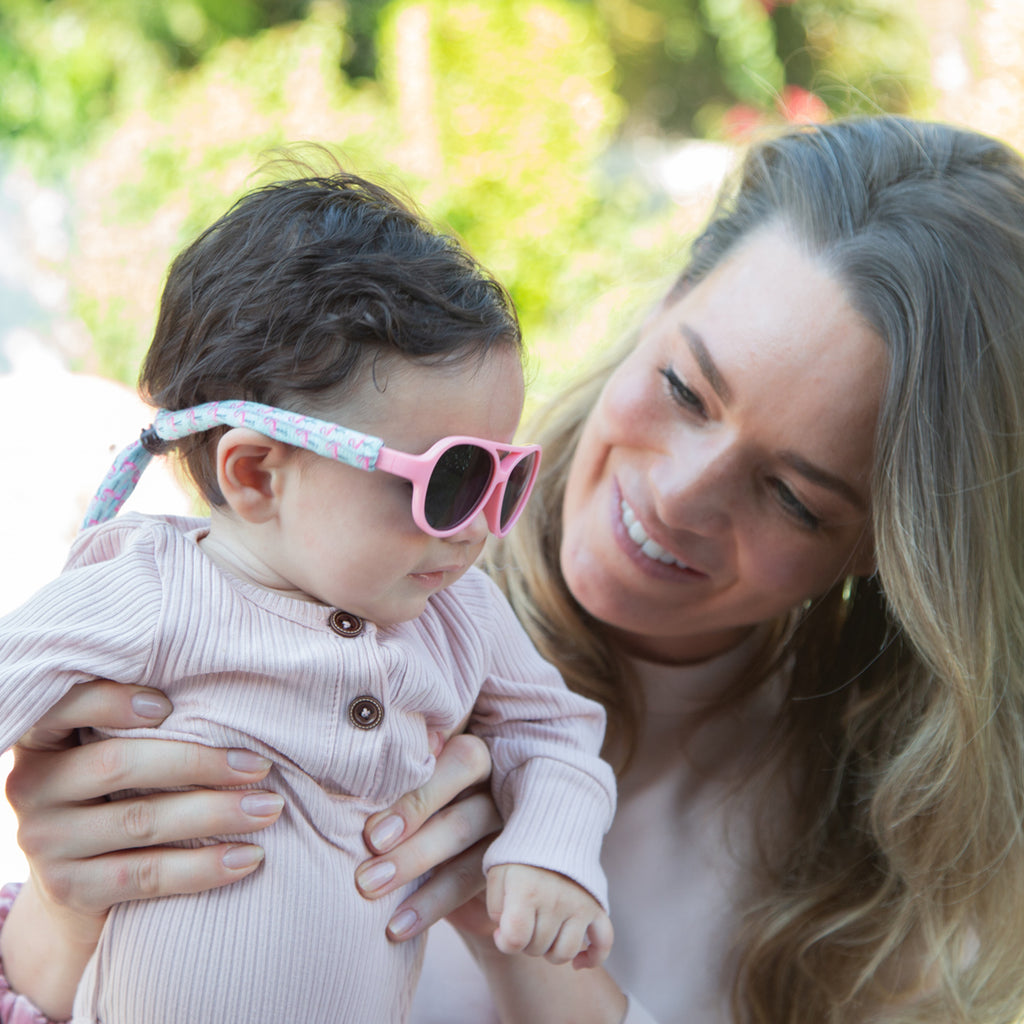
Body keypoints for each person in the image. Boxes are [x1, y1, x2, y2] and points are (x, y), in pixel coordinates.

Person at [3, 113, 1024, 1024]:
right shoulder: (314, 554)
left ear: (890, 556)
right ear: (659, 306)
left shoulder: (900, 863)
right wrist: (64, 909)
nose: (677, 494)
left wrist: (533, 949)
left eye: (794, 496)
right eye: (683, 386)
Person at [0, 162, 616, 1023]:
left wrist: (550, 851)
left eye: (505, 476)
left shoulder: (460, 611)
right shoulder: (147, 588)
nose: (478, 525)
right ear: (255, 475)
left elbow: (554, 735)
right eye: (451, 480)